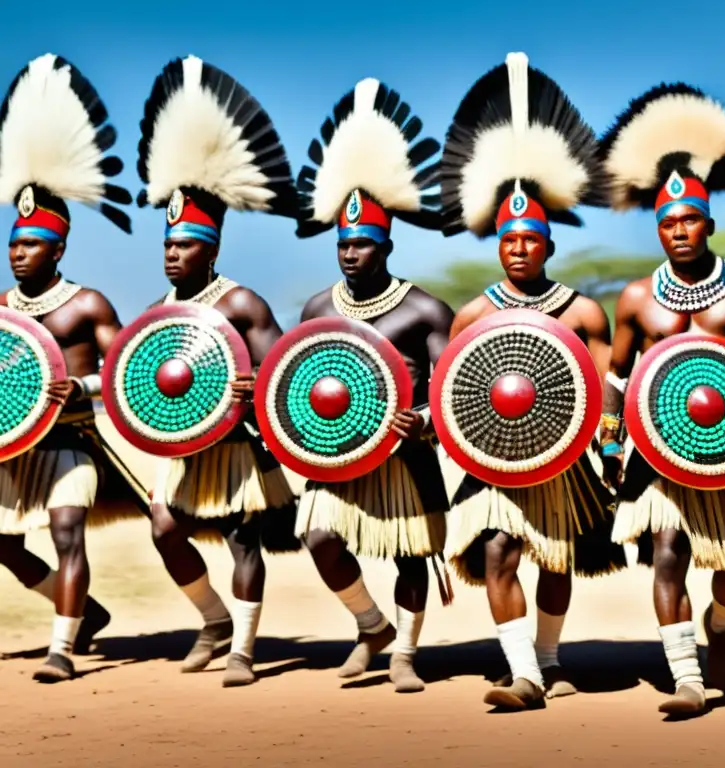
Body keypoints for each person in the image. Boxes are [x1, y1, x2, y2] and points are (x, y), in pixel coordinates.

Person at [596, 83, 725, 716]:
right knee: (667, 554)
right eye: (667, 223)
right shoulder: (635, 299)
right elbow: (616, 374)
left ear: (709, 223)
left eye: (689, 220)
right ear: (657, 230)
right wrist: (609, 438)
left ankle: (717, 622)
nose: (679, 231)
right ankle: (687, 677)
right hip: (655, 455)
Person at [439, 52, 626, 711]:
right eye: (509, 240)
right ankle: (525, 673)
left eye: (531, 240)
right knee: (497, 552)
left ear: (548, 245)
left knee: (555, 559)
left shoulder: (581, 311)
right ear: (498, 244)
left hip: (567, 457)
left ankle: (548, 658)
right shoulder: (474, 314)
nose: (519, 249)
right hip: (495, 461)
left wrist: (608, 447)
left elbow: (605, 383)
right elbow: (452, 393)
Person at [134, 55, 300, 687]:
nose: (173, 255)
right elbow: (139, 388)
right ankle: (213, 621)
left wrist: (255, 388)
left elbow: (288, 373)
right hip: (183, 451)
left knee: (241, 542)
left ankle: (243, 651)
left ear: (213, 248)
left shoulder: (242, 304)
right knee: (164, 529)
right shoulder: (154, 314)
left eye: (186, 246)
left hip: (238, 449)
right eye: (167, 245)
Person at [292, 77, 454, 692]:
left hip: (405, 451)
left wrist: (429, 424)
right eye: (344, 244)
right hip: (334, 452)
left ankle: (405, 655)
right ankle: (371, 625)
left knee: (411, 553)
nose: (351, 254)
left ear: (386, 244)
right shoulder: (316, 310)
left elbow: (449, 388)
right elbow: (292, 384)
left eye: (363, 243)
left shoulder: (423, 310)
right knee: (319, 536)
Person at [0, 54, 148, 682]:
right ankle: (85, 614)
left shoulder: (89, 303)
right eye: (12, 243)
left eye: (29, 244)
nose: (17, 253)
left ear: (58, 248)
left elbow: (125, 371)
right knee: (4, 544)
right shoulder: (3, 309)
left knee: (66, 535)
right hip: (15, 449)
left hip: (74, 443)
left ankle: (61, 649)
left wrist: (81, 385)